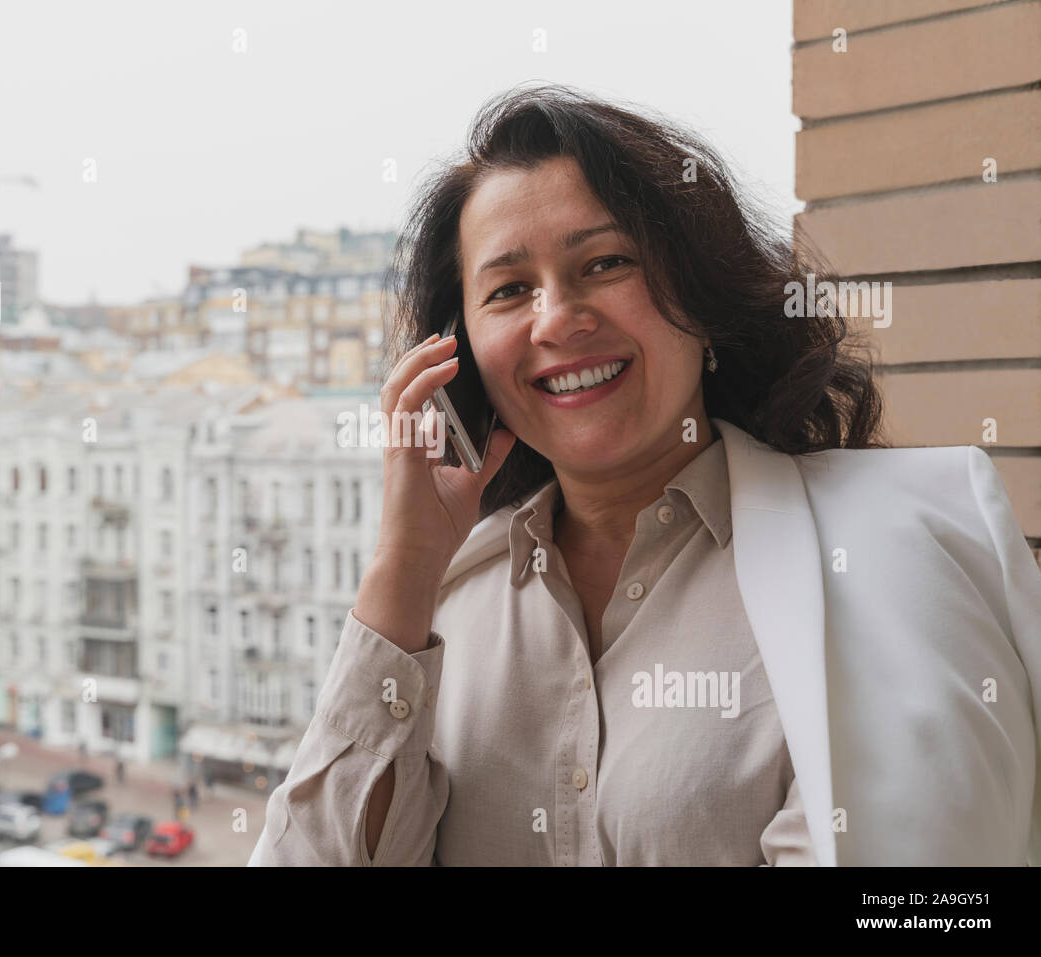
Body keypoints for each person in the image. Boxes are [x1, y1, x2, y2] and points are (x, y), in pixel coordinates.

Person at [249, 85, 1041, 867]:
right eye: (509, 289)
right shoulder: (443, 608)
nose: (557, 318)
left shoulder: (888, 551)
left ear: (700, 294)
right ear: (462, 352)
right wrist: (405, 570)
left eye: (605, 262)